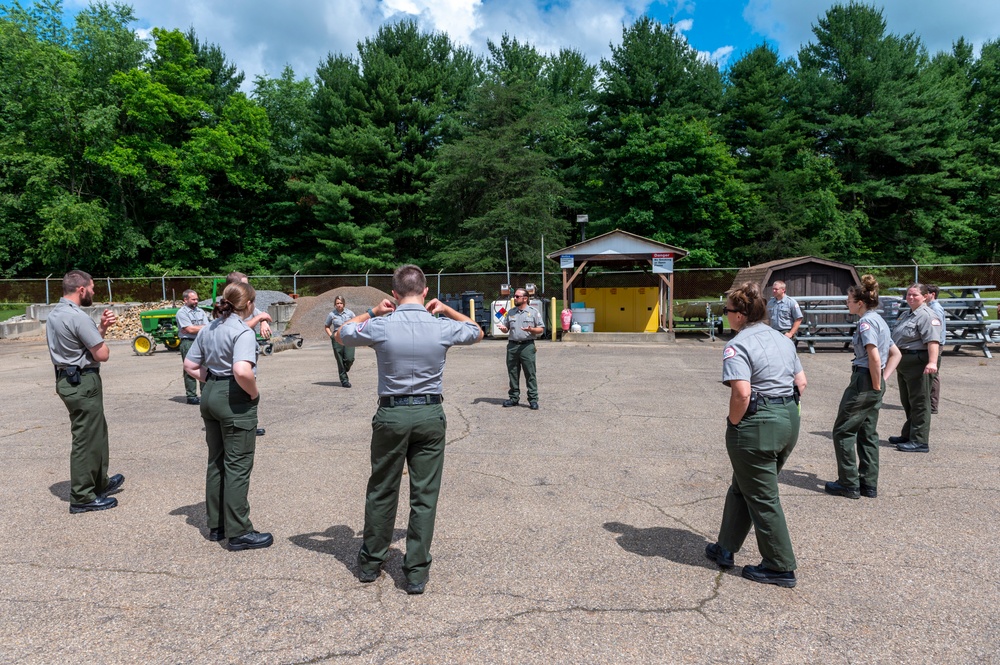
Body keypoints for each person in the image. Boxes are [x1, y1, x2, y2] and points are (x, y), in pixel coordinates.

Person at [337, 264, 483, 594]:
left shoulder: (381, 325)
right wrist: (447, 309)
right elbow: (476, 331)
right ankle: (415, 571)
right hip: (430, 412)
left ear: (394, 294)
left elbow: (341, 333)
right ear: (426, 292)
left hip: (392, 413)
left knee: (382, 489)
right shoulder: (441, 326)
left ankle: (371, 562)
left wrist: (371, 312)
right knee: (424, 495)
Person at [705, 282, 807, 588]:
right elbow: (801, 382)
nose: (725, 315)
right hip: (788, 418)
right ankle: (725, 547)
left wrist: (734, 423)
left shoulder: (737, 345)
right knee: (745, 485)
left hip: (757, 424)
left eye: (727, 311)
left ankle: (779, 565)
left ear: (739, 315)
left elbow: (742, 393)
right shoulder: (783, 340)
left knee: (762, 496)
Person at [183, 281, 272, 551]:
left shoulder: (209, 328)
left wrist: (210, 380)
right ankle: (239, 531)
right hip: (233, 396)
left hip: (210, 392)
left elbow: (190, 364)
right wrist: (254, 394)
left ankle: (217, 525)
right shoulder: (241, 332)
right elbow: (243, 371)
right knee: (238, 464)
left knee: (217, 461)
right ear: (248, 304)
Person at [46, 270, 125, 513]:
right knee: (86, 438)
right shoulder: (77, 316)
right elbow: (101, 354)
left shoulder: (55, 314)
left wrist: (101, 328)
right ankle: (82, 496)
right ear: (81, 290)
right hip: (82, 382)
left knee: (96, 433)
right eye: (91, 288)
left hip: (70, 379)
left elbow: (81, 348)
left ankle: (98, 483)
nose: (93, 292)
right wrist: (101, 336)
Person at [824, 275, 902, 500]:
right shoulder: (881, 321)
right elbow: (896, 353)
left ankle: (848, 483)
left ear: (860, 302)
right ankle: (869, 483)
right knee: (867, 432)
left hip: (865, 380)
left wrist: (876, 383)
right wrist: (882, 381)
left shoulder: (866, 322)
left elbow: (874, 357)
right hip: (874, 381)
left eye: (849, 300)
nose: (846, 303)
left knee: (843, 431)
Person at [887, 283, 941, 453]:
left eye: (915, 295)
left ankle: (920, 441)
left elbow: (933, 341)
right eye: (908, 294)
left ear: (925, 296)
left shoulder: (926, 315)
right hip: (904, 362)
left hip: (919, 362)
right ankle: (910, 434)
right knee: (908, 401)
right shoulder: (907, 314)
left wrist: (932, 363)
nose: (910, 297)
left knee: (920, 402)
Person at [226, 272, 269, 436]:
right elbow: (238, 327)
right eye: (246, 284)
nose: (249, 287)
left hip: (247, 358)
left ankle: (249, 423)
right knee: (243, 391)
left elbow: (259, 313)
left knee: (247, 393)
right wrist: (259, 319)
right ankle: (241, 425)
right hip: (235, 361)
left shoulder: (247, 303)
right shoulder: (225, 308)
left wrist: (263, 320)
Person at [498, 288, 544, 410]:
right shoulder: (510, 312)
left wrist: (531, 330)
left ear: (525, 298)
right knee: (512, 372)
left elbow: (541, 329)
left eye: (517, 296)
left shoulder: (533, 312)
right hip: (512, 346)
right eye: (514, 296)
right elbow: (506, 328)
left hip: (527, 346)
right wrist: (503, 328)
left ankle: (533, 399)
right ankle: (514, 398)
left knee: (530, 373)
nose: (515, 298)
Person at [176, 289, 209, 405]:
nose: (196, 301)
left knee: (205, 367)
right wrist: (203, 327)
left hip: (201, 341)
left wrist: (199, 328)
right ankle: (191, 396)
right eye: (193, 299)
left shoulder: (200, 311)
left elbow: (205, 326)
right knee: (190, 369)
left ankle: (205, 394)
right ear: (185, 300)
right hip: (188, 342)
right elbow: (189, 329)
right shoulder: (182, 313)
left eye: (197, 299)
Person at [324, 296, 356, 387]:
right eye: (337, 303)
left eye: (341, 303)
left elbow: (356, 322)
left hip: (349, 337)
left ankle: (344, 370)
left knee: (349, 359)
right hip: (337, 338)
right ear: (335, 304)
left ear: (344, 304)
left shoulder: (350, 313)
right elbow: (326, 326)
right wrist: (331, 336)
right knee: (340, 360)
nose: (339, 305)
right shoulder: (332, 314)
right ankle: (344, 380)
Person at [925, 285, 947, 414]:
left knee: (933, 374)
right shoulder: (931, 307)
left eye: (925, 293)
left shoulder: (935, 309)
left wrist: (935, 345)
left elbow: (937, 329)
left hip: (936, 344)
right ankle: (930, 403)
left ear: (932, 294)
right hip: (935, 343)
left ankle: (933, 405)